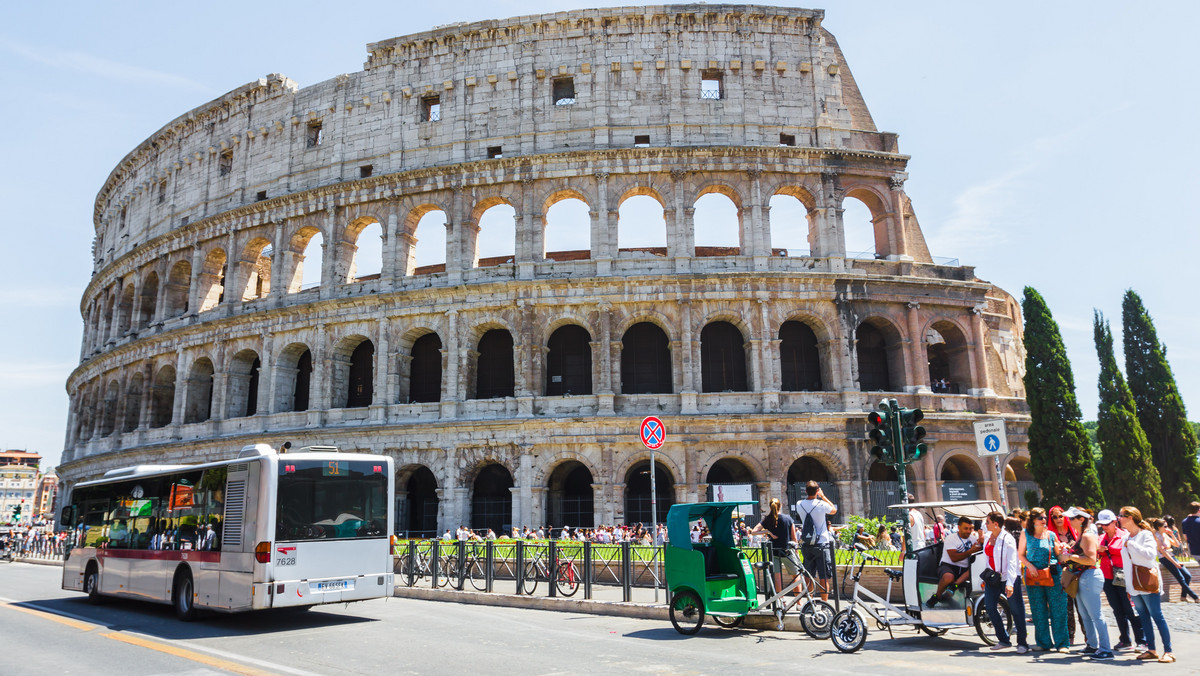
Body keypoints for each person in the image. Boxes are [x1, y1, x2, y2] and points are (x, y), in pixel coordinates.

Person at [1120, 507, 1175, 663]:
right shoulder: (1125, 537)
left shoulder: (1144, 535)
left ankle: (1169, 651)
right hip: (1134, 583)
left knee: (1157, 616)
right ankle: (1151, 650)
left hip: (1148, 582)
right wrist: (1128, 586)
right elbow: (1126, 564)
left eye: (1122, 515)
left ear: (1130, 518)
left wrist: (1132, 545)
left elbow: (1150, 555)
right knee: (1143, 617)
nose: (1119, 518)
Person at [1059, 507, 1113, 659]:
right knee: (1085, 614)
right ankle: (1092, 645)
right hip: (1084, 576)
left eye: (1071, 518)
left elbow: (1090, 559)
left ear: (1081, 519)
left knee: (1096, 615)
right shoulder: (1083, 534)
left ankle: (1105, 649)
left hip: (1089, 576)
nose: (1067, 521)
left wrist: (1069, 556)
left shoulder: (1087, 535)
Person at [1095, 509, 1147, 652]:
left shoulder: (1124, 536)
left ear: (1114, 522)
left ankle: (1142, 640)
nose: (1104, 527)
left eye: (1107, 524)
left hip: (1124, 576)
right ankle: (1124, 639)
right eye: (1102, 524)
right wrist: (1098, 549)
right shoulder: (1101, 538)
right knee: (1117, 610)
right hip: (1108, 577)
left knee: (1130, 609)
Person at [1020, 507, 1069, 652]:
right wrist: (1029, 566)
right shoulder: (1026, 534)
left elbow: (1058, 556)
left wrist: (1063, 551)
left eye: (1044, 518)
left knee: (1058, 609)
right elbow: (1020, 554)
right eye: (1040, 518)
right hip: (1033, 575)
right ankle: (1043, 642)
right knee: (1037, 609)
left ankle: (1062, 643)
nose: (1044, 520)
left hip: (1053, 575)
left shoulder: (1051, 535)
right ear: (1033, 520)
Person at [980, 511, 1026, 652]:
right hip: (993, 578)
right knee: (990, 607)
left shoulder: (1008, 538)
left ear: (996, 524)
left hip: (1008, 577)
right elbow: (987, 558)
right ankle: (1003, 639)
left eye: (987, 522)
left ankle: (1022, 643)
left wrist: (1010, 583)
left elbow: (1013, 562)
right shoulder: (988, 537)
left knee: (1016, 609)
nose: (985, 525)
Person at [750, 498, 801, 599]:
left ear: (770, 506)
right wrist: (797, 551)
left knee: (777, 577)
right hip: (787, 551)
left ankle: (780, 599)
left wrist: (768, 532)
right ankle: (798, 601)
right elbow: (794, 538)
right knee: (796, 575)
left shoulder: (767, 519)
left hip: (774, 552)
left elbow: (753, 531)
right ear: (780, 506)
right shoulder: (788, 519)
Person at [794, 481, 837, 601]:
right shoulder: (821, 504)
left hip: (807, 543)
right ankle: (825, 603)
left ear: (805, 491)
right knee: (823, 577)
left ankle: (810, 602)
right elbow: (833, 510)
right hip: (821, 543)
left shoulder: (799, 504)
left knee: (808, 575)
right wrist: (822, 496)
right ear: (817, 491)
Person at [928, 515, 981, 607]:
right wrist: (970, 551)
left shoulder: (973, 539)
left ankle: (954, 586)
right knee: (949, 577)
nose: (968, 531)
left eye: (970, 528)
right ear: (959, 527)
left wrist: (981, 538)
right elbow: (954, 558)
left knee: (976, 570)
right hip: (949, 565)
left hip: (965, 569)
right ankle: (937, 596)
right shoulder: (951, 538)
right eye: (966, 528)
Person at [1048, 504, 1080, 645]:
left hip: (1079, 570)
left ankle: (1087, 635)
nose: (1058, 519)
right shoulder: (1051, 534)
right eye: (1054, 517)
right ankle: (1070, 636)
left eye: (1060, 516)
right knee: (1067, 607)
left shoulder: (1074, 531)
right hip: (1062, 572)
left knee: (1081, 605)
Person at [1151, 518, 1198, 602]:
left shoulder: (1164, 535)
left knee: (1187, 576)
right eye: (1165, 526)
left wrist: (1172, 535)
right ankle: (1195, 597)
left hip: (1172, 557)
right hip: (1164, 558)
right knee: (1180, 578)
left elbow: (1176, 545)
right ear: (1159, 527)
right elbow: (1163, 552)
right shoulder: (1156, 537)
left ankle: (1183, 596)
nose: (1167, 528)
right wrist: (1175, 563)